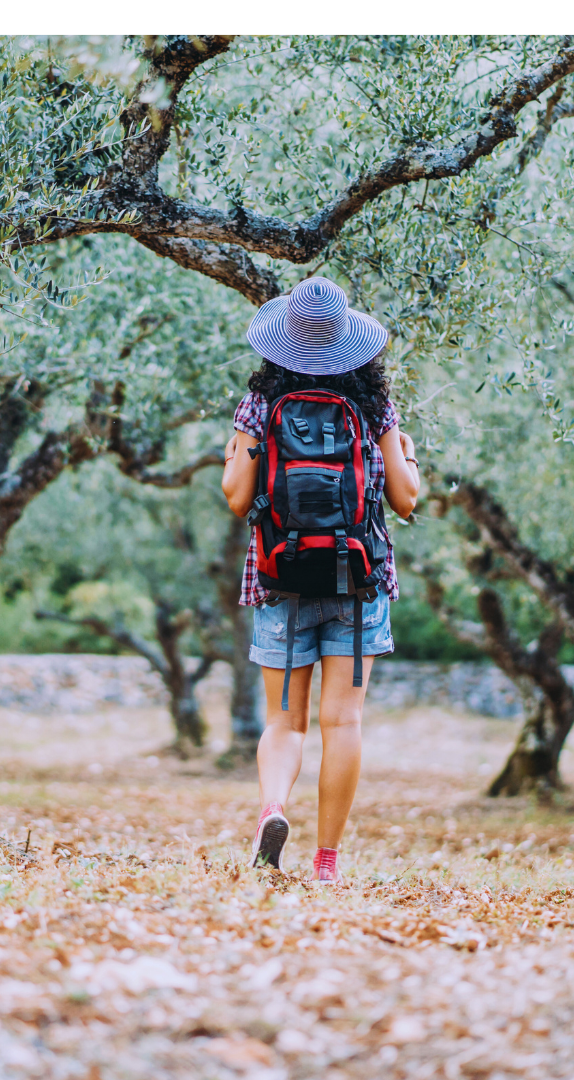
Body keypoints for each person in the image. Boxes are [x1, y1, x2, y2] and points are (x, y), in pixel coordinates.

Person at [220, 277, 419, 883]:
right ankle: (326, 863)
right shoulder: (373, 406)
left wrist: (235, 452)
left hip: (281, 579)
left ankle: (274, 808)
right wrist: (407, 457)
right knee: (344, 723)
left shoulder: (259, 406)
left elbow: (235, 499)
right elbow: (407, 501)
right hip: (359, 587)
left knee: (285, 720)